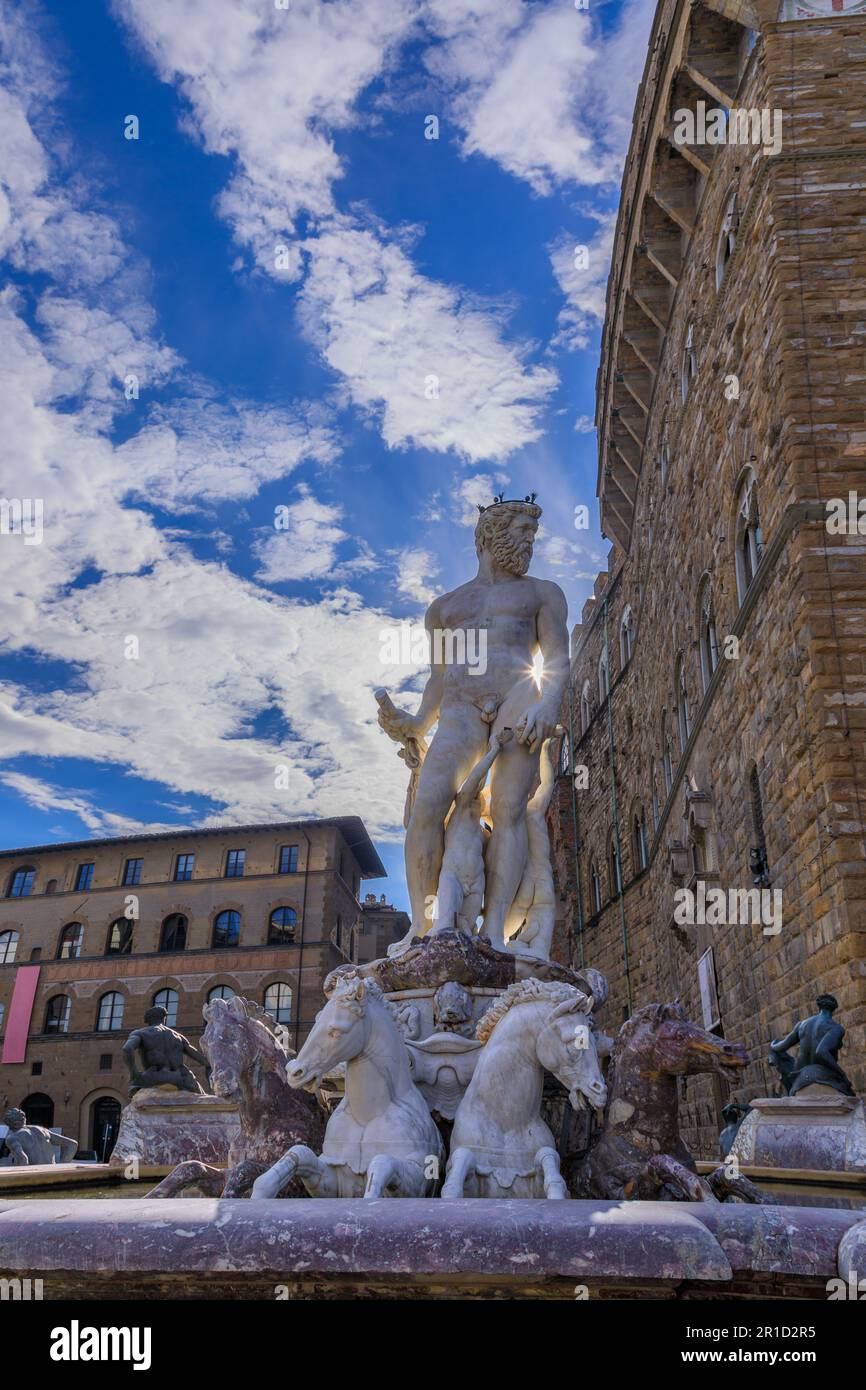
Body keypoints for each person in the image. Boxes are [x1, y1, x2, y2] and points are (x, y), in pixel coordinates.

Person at [378, 496, 569, 950]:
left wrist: (547, 707)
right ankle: (425, 928)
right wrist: (416, 722)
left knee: (507, 810)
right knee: (427, 807)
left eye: (532, 534)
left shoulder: (542, 593)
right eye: (522, 531)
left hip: (518, 699)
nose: (529, 541)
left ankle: (494, 931)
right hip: (461, 709)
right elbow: (440, 677)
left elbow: (559, 660)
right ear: (489, 535)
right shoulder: (445, 608)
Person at [122, 1005, 210, 1096]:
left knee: (134, 1089)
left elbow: (127, 1049)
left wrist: (134, 1072)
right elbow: (203, 1060)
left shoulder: (140, 1033)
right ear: (163, 1019)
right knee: (202, 1097)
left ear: (147, 1020)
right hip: (181, 1078)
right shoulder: (178, 1036)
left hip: (154, 1077)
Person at [3, 1106, 77, 1165]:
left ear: (13, 1124)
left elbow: (23, 1159)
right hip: (52, 1170)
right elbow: (72, 1144)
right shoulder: (42, 1130)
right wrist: (61, 1166)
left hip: (34, 1174)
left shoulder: (13, 1137)